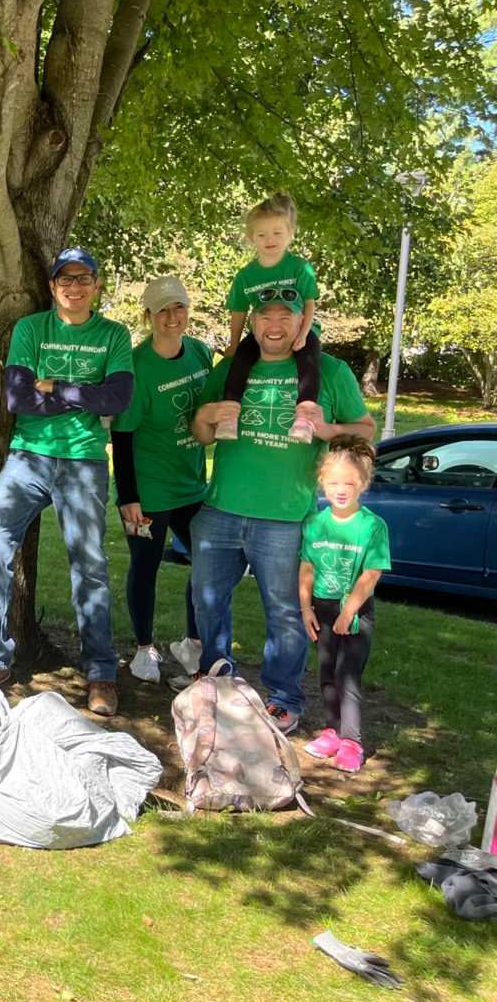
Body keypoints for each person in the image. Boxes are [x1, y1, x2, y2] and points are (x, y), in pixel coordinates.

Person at [190, 297, 375, 734]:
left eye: (285, 317)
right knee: (207, 601)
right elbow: (200, 434)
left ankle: (284, 699)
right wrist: (206, 415)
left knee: (286, 612)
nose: (274, 325)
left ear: (302, 322)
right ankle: (217, 679)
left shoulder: (329, 371)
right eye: (265, 316)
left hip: (287, 517)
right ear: (252, 321)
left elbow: (367, 431)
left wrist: (326, 429)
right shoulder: (231, 368)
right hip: (221, 510)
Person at [0, 246, 134, 715]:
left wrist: (58, 387)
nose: (73, 286)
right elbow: (18, 400)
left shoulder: (113, 334)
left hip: (84, 460)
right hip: (30, 457)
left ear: (96, 284)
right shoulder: (31, 329)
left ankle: (101, 671)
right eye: (64, 279)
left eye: (83, 278)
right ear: (52, 286)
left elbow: (119, 399)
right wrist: (88, 397)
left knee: (89, 565)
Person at [110, 274, 212, 685]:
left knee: (208, 563)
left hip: (192, 484)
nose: (173, 317)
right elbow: (121, 435)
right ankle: (143, 649)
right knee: (146, 565)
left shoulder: (201, 353)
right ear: (148, 315)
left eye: (179, 307)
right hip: (148, 490)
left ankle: (192, 643)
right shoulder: (137, 366)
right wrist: (128, 496)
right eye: (163, 309)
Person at [299, 437, 389, 773]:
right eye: (333, 482)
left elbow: (371, 572)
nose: (341, 489)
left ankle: (352, 741)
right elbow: (306, 568)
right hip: (320, 609)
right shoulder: (314, 523)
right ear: (322, 482)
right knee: (326, 673)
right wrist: (306, 608)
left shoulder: (371, 526)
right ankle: (332, 732)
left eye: (349, 483)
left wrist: (350, 610)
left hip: (355, 612)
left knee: (347, 676)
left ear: (363, 484)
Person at [220, 192, 320, 443]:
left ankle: (305, 419)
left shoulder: (299, 267)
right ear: (252, 237)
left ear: (291, 232)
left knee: (308, 362)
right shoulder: (245, 276)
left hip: (300, 327)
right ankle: (229, 415)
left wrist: (305, 333)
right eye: (262, 234)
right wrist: (234, 343)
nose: (270, 240)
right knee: (240, 360)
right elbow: (239, 312)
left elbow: (309, 303)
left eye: (277, 233)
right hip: (263, 331)